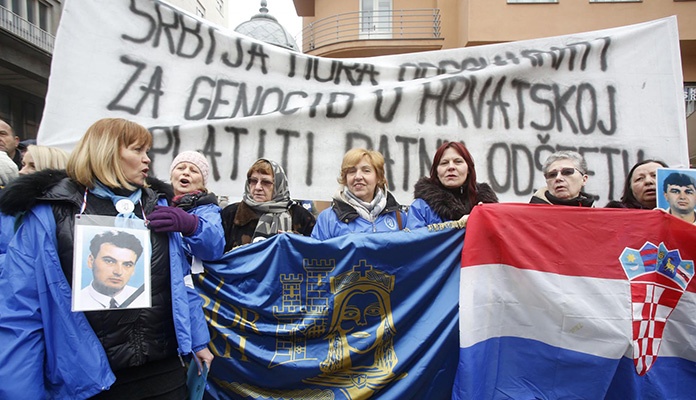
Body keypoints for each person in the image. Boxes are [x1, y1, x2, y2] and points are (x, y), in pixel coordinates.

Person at [0, 118, 213, 399]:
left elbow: (180, 282)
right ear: (106, 151)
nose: (147, 160)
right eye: (137, 150)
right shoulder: (51, 211)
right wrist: (21, 393)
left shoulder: (156, 206)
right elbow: (19, 312)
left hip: (163, 373)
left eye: (147, 151)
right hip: (87, 380)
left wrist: (198, 339)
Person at [148, 150, 224, 271]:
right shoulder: (154, 200)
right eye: (180, 168)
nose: (186, 173)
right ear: (171, 176)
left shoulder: (208, 209)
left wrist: (193, 226)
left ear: (203, 182)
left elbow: (214, 248)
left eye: (194, 170)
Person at [221, 158, 315, 252]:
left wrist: (295, 240)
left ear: (279, 185)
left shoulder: (300, 216)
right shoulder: (232, 214)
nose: (258, 187)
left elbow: (314, 255)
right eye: (253, 181)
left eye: (266, 182)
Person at [311, 148, 406, 240]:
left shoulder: (398, 217)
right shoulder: (328, 219)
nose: (358, 177)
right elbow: (316, 253)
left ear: (378, 177)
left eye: (366, 171)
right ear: (345, 178)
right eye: (352, 171)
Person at [407, 141, 498, 230]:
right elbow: (414, 242)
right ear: (436, 172)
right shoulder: (421, 208)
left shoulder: (487, 205)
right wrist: (457, 226)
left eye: (458, 161)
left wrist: (486, 217)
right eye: (444, 163)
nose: (451, 167)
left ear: (469, 169)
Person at [79, 230, 147, 310]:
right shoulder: (77, 301)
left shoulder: (143, 298)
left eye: (127, 265)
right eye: (109, 261)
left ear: (133, 269)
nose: (118, 272)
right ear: (91, 261)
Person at [530, 150, 596, 207]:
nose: (558, 178)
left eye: (567, 172)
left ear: (584, 179)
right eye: (552, 174)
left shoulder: (595, 216)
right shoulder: (529, 215)